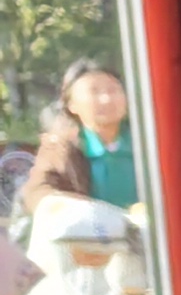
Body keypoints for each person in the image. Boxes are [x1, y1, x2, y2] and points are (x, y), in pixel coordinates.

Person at [17, 62, 138, 220]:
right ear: (71, 105)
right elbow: (37, 191)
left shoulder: (147, 140)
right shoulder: (60, 148)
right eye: (94, 92)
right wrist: (70, 207)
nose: (106, 99)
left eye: (113, 90)